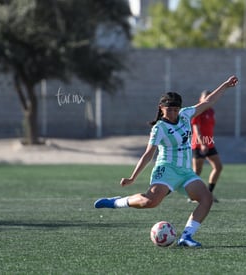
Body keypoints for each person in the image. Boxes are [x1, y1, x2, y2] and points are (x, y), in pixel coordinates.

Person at [94, 75, 238, 247]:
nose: (173, 113)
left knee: (206, 199)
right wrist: (132, 177)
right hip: (166, 170)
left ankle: (186, 237)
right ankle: (116, 202)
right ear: (161, 108)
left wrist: (225, 85)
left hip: (185, 173)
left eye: (176, 109)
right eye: (169, 109)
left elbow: (208, 101)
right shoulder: (159, 128)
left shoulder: (185, 115)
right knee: (150, 202)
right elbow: (148, 154)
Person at [190, 90, 222, 203]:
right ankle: (193, 195)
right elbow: (196, 129)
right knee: (197, 171)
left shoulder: (211, 111)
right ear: (200, 99)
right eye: (205, 97)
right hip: (199, 144)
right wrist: (202, 144)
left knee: (218, 167)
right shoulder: (198, 111)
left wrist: (207, 142)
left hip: (209, 142)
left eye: (209, 97)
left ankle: (209, 193)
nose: (208, 99)